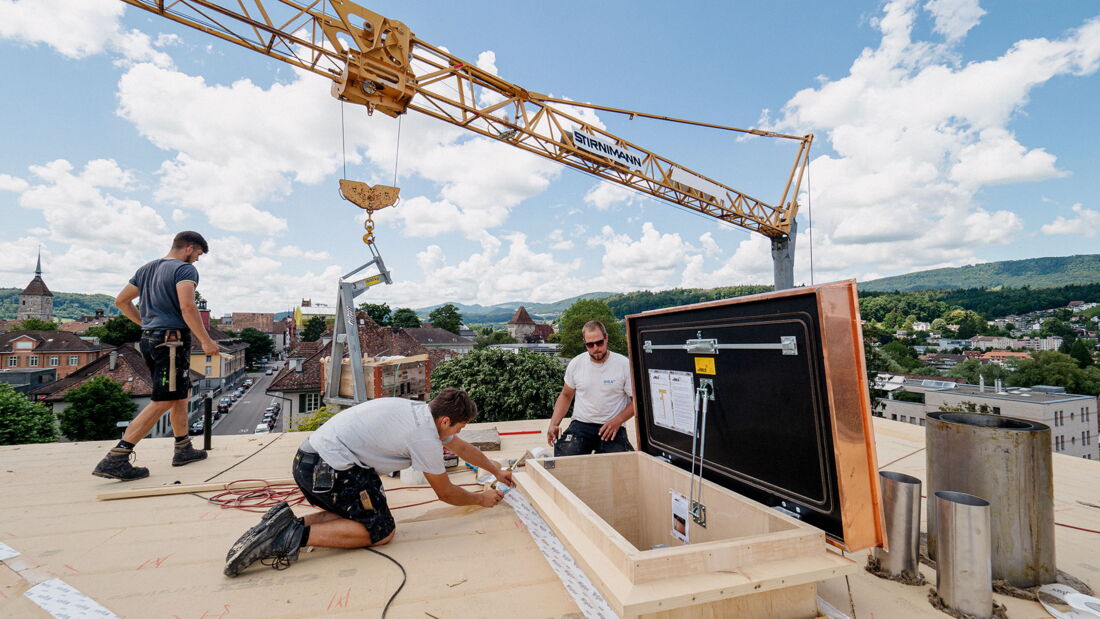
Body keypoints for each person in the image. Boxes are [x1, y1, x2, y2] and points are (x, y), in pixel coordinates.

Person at [223, 388, 512, 577]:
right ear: (446, 420)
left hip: (310, 460)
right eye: (460, 426)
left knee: (357, 513)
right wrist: (481, 499)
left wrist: (496, 471)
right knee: (381, 531)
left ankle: (280, 524)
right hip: (329, 471)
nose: (458, 432)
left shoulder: (420, 413)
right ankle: (288, 536)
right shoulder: (423, 436)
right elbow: (445, 492)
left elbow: (462, 448)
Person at [92, 231, 220, 481]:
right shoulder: (184, 270)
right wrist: (206, 340)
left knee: (180, 394)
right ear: (188, 248)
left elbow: (121, 301)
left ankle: (182, 448)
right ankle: (117, 456)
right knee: (163, 399)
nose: (197, 260)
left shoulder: (146, 269)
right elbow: (187, 306)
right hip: (171, 342)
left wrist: (146, 324)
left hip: (152, 339)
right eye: (197, 254)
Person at [546, 320, 635, 455]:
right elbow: (566, 395)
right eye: (590, 344)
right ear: (584, 342)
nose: (595, 348)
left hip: (611, 425)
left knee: (621, 464)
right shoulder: (576, 364)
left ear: (606, 338)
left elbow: (636, 401)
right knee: (564, 457)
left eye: (599, 342)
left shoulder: (623, 365)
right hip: (582, 424)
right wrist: (554, 423)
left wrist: (618, 420)